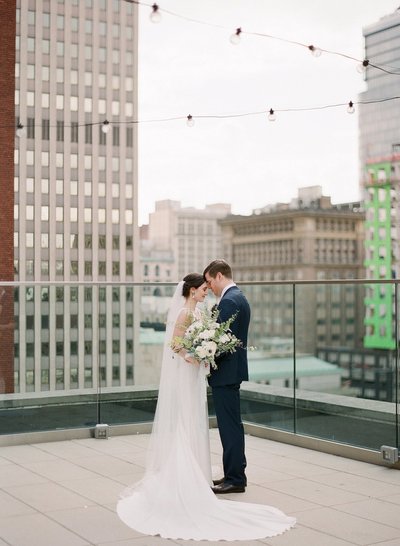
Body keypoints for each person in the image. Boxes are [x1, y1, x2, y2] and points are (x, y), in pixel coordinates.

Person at [117, 273, 295, 541]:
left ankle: (200, 475)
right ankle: (186, 475)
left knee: (197, 421)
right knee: (187, 421)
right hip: (189, 373)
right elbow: (176, 344)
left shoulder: (204, 310)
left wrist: (205, 352)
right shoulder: (186, 314)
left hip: (198, 375)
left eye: (207, 286)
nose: (206, 292)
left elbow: (210, 337)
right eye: (202, 289)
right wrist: (193, 356)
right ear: (190, 291)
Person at [203, 259, 249, 494]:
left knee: (229, 427)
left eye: (210, 282)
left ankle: (236, 479)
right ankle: (234, 473)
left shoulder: (230, 301)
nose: (209, 287)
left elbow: (222, 341)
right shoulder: (237, 297)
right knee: (231, 425)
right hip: (231, 372)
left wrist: (204, 355)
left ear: (219, 276)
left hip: (226, 373)